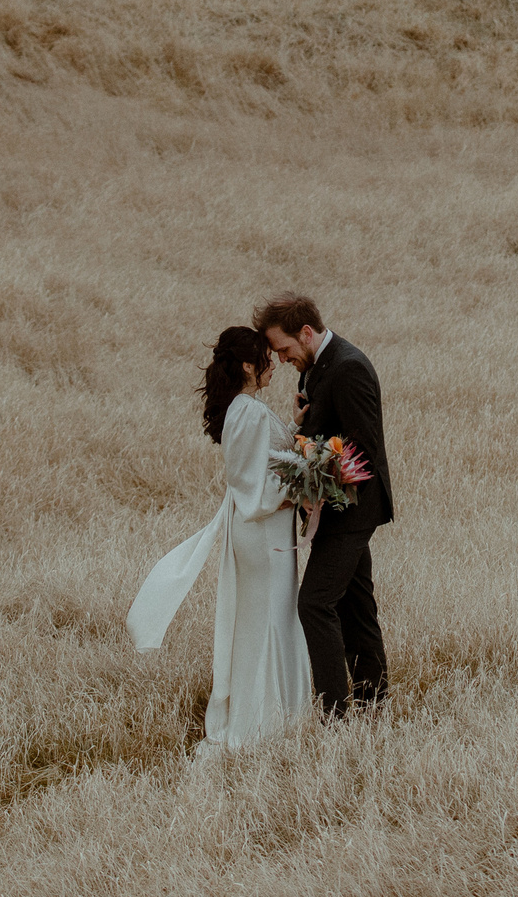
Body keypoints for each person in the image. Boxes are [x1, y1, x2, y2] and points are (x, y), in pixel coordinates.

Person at [126, 327, 311, 753]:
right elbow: (252, 486)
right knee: (267, 620)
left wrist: (294, 429)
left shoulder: (247, 407)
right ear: (249, 365)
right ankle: (262, 724)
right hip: (262, 534)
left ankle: (278, 713)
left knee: (270, 619)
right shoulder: (245, 409)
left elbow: (262, 458)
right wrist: (303, 482)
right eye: (268, 356)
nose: (274, 365)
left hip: (263, 533)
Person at [256, 293, 392, 716]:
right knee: (355, 605)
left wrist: (310, 468)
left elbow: (362, 451)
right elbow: (323, 431)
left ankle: (334, 715)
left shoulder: (349, 368)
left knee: (314, 604)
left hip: (352, 511)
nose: (280, 359)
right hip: (333, 511)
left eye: (284, 349)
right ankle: (373, 706)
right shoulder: (315, 368)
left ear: (307, 333)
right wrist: (303, 431)